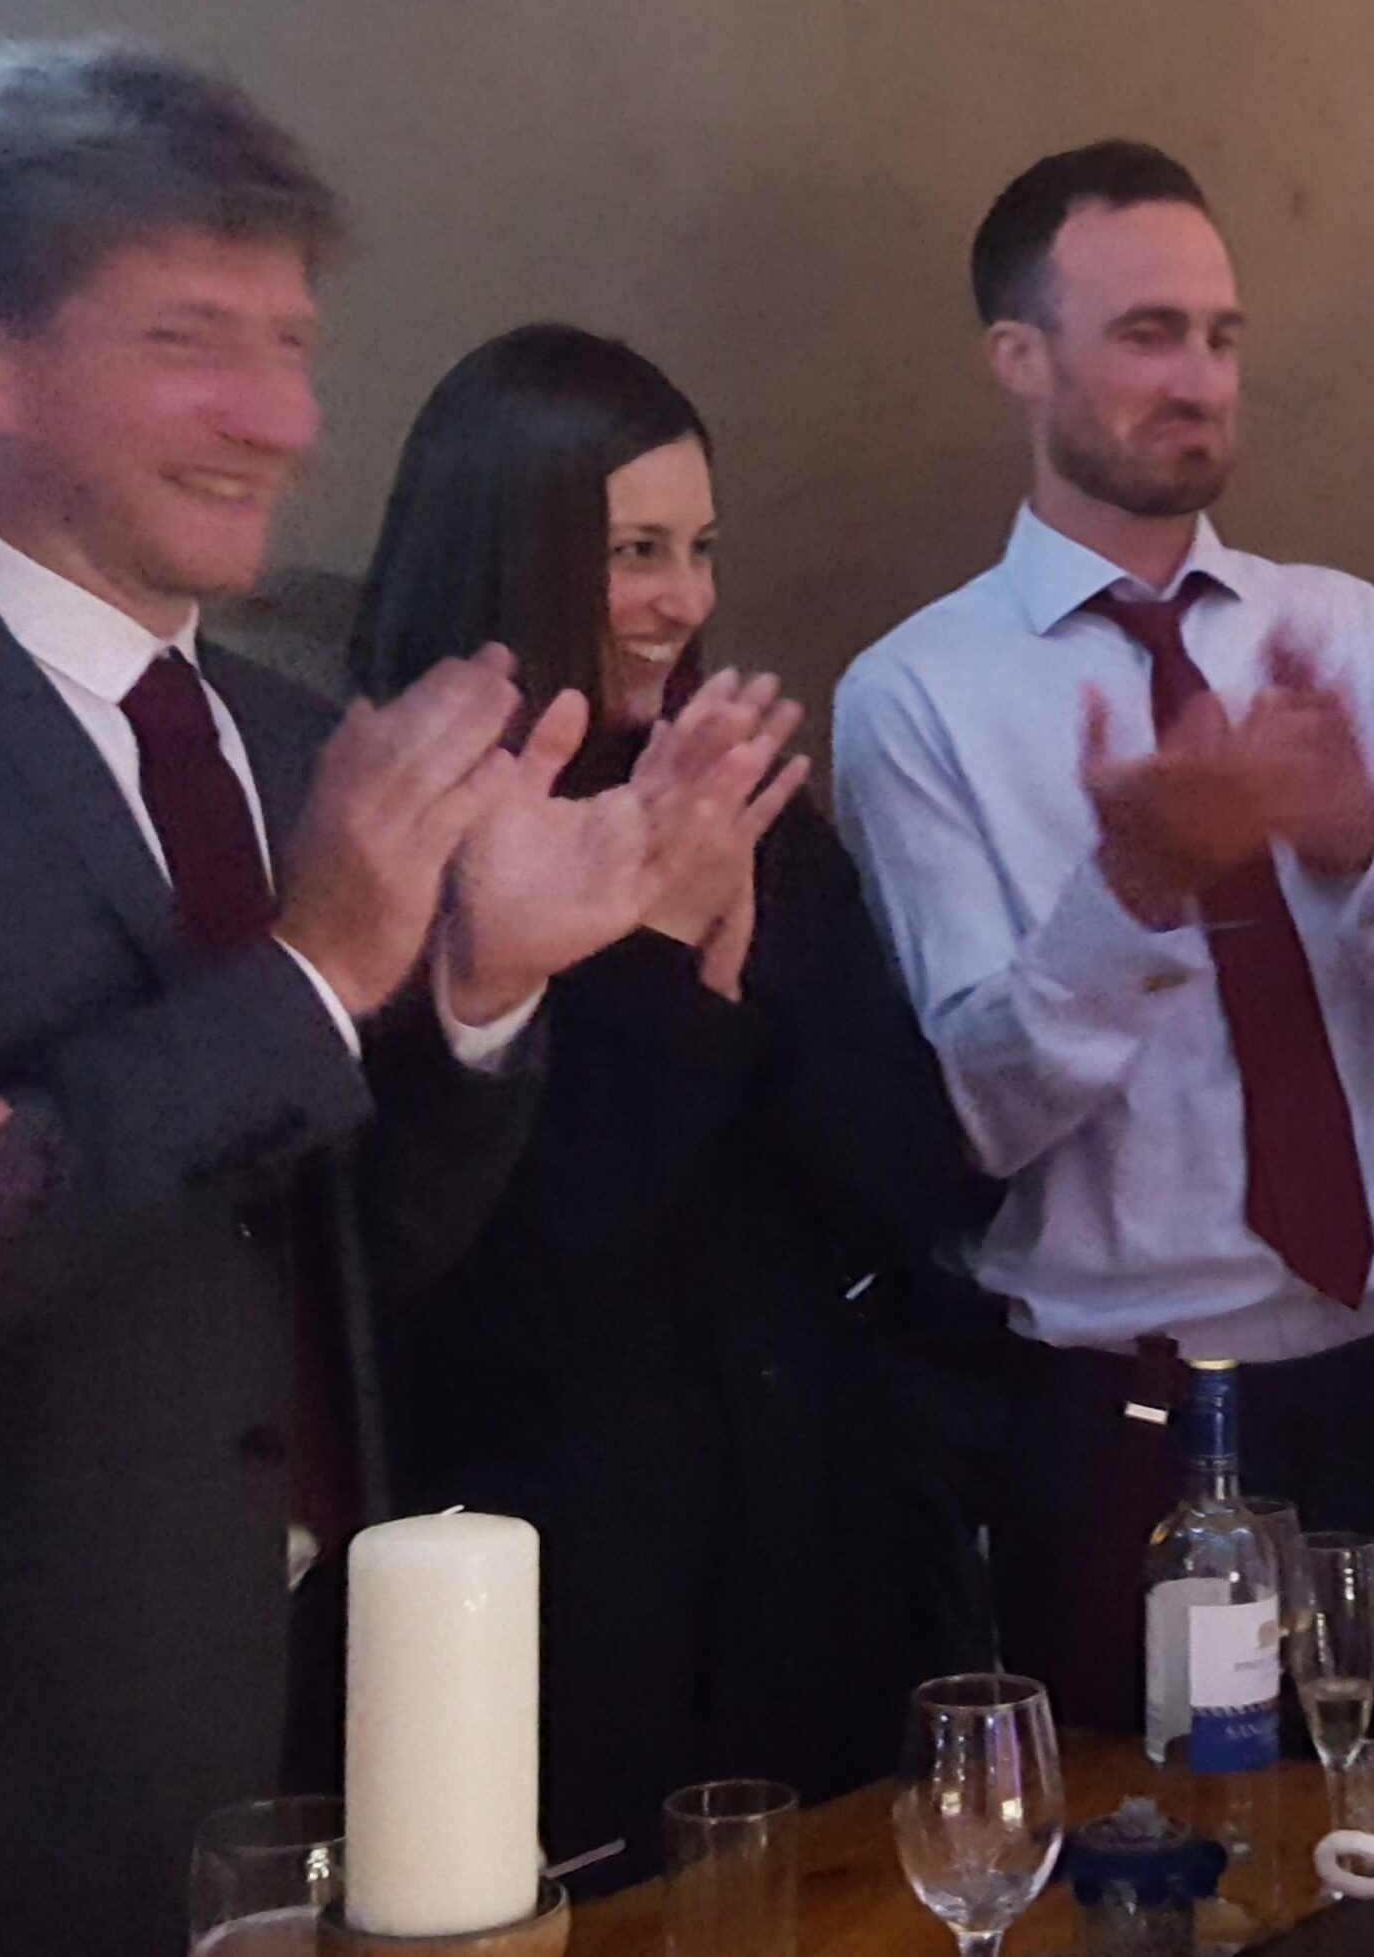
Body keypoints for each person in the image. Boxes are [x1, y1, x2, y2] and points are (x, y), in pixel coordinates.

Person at [0, 42, 782, 1956]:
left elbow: (356, 1260)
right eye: (190, 340)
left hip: (324, 1725)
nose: (278, 417)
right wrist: (315, 972)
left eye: (292, 345)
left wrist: (482, 990)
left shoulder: (299, 739)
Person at [833, 140, 1374, 1764]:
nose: (1200, 379)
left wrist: (1363, 844)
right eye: (1149, 333)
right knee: (1164, 1874)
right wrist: (1137, 889)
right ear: (1020, 359)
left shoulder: (1341, 631)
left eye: (1222, 337)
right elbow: (972, 1118)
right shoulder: (919, 695)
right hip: (1136, 1431)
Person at [350, 324, 986, 1887]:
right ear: (515, 551)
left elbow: (918, 1177)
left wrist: (746, 951)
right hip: (564, 1602)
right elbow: (494, 1297)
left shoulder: (744, 810)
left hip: (817, 1547)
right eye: (636, 550)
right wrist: (664, 974)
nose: (686, 599)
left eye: (700, 550)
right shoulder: (386, 822)